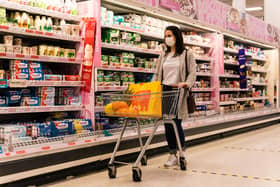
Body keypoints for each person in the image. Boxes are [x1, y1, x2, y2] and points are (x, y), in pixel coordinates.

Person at [153, 26, 196, 167]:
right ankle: (172, 154)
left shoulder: (187, 53)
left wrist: (187, 83)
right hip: (165, 91)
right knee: (167, 124)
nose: (167, 38)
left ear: (177, 36)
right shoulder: (163, 55)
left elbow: (192, 72)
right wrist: (153, 87)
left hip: (178, 90)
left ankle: (181, 153)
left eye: (170, 35)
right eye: (166, 35)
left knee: (176, 123)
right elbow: (158, 73)